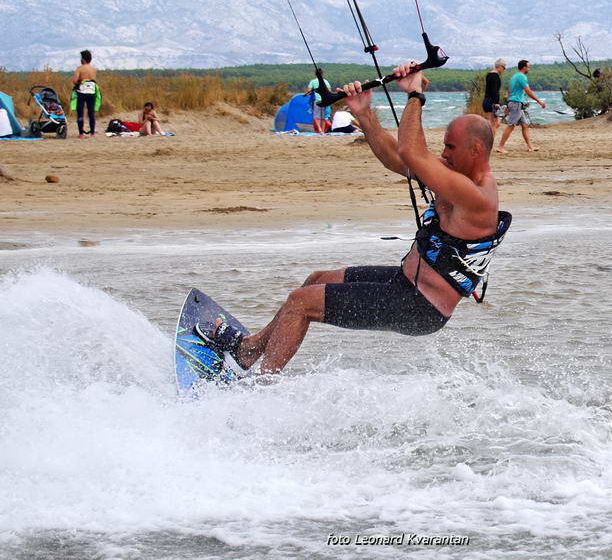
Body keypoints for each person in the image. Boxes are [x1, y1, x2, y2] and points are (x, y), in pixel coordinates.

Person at [194, 62, 511, 377]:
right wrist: (363, 112)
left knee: (300, 303)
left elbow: (413, 152)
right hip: (406, 283)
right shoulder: (457, 175)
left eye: (450, 147)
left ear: (476, 150)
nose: (443, 153)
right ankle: (250, 350)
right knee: (316, 280)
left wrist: (415, 95)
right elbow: (400, 159)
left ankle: (261, 385)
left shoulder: (477, 198)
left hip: (420, 306)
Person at [496, 60, 546, 153]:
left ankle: (530, 147)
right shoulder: (522, 77)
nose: (529, 69)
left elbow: (509, 91)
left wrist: (508, 103)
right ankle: (500, 147)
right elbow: (528, 91)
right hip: (516, 104)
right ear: (524, 67)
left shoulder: (514, 76)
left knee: (525, 125)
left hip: (516, 103)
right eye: (528, 67)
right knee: (511, 126)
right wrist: (539, 101)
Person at [72, 49, 98, 139]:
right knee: (91, 113)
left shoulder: (79, 68)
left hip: (82, 92)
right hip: (92, 91)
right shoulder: (94, 69)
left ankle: (81, 134)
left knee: (80, 112)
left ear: (83, 59)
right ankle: (92, 133)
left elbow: (74, 81)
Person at [482, 59, 506, 132]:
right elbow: (494, 91)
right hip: (491, 102)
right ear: (500, 66)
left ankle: (488, 140)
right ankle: (489, 142)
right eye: (504, 67)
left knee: (494, 124)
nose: (504, 70)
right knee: (495, 124)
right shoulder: (495, 76)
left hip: (486, 101)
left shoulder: (489, 75)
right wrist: (496, 103)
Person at [305, 69, 332, 134]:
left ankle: (319, 129)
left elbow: (309, 91)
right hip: (325, 100)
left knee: (316, 116)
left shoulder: (313, 81)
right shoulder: (325, 81)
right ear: (322, 74)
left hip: (317, 100)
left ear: (315, 74)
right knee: (323, 117)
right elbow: (329, 91)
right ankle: (322, 130)